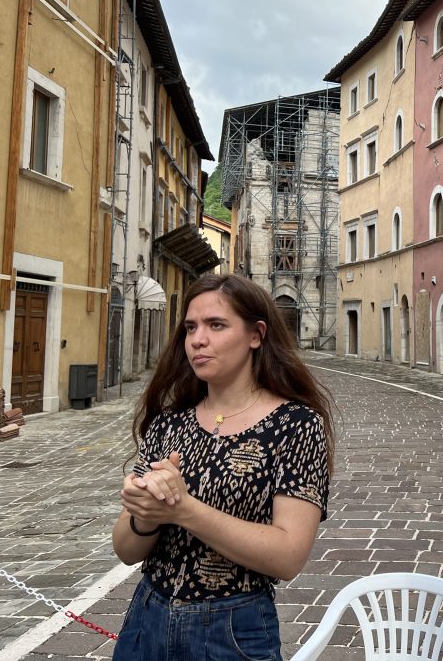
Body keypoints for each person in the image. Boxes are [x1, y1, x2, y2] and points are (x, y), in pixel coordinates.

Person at [112, 274, 335, 661]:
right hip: (146, 621)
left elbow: (288, 556)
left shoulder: (296, 425)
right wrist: (145, 516)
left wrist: (184, 510)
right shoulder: (169, 424)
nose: (198, 339)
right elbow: (126, 550)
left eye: (216, 325)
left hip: (233, 629)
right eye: (191, 328)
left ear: (256, 335)